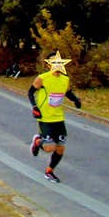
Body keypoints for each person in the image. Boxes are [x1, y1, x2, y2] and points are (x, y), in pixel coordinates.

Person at [28, 51, 82, 183]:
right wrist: (35, 107)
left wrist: (76, 100)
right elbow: (30, 92)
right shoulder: (42, 78)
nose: (56, 64)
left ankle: (49, 171)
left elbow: (68, 92)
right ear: (48, 65)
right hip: (45, 118)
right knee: (48, 148)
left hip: (59, 118)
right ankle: (37, 142)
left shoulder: (65, 79)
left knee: (60, 147)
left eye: (58, 62)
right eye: (53, 62)